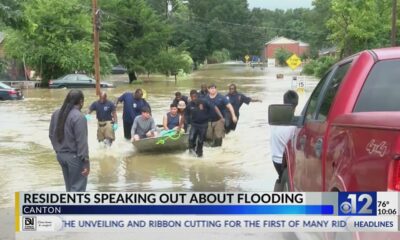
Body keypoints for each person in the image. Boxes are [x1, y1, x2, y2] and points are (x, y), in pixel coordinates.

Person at [49, 90, 89, 192]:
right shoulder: (79, 117)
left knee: (69, 188)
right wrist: (86, 163)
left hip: (61, 156)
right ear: (81, 101)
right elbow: (82, 142)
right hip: (74, 157)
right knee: (77, 189)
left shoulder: (56, 113)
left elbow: (51, 135)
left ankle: (69, 207)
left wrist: (58, 150)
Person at [270, 90, 298, 191]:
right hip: (285, 161)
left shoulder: (274, 117)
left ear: (283, 103)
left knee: (282, 179)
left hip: (275, 159)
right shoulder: (296, 124)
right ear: (296, 105)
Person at [187, 90, 224, 157]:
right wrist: (181, 125)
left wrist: (221, 117)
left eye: (195, 96)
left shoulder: (204, 101)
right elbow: (185, 115)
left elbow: (215, 107)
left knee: (201, 141)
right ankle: (191, 151)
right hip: (194, 124)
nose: (194, 98)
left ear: (197, 96)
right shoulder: (190, 104)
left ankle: (199, 154)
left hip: (203, 125)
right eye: (192, 97)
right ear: (190, 97)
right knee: (191, 138)